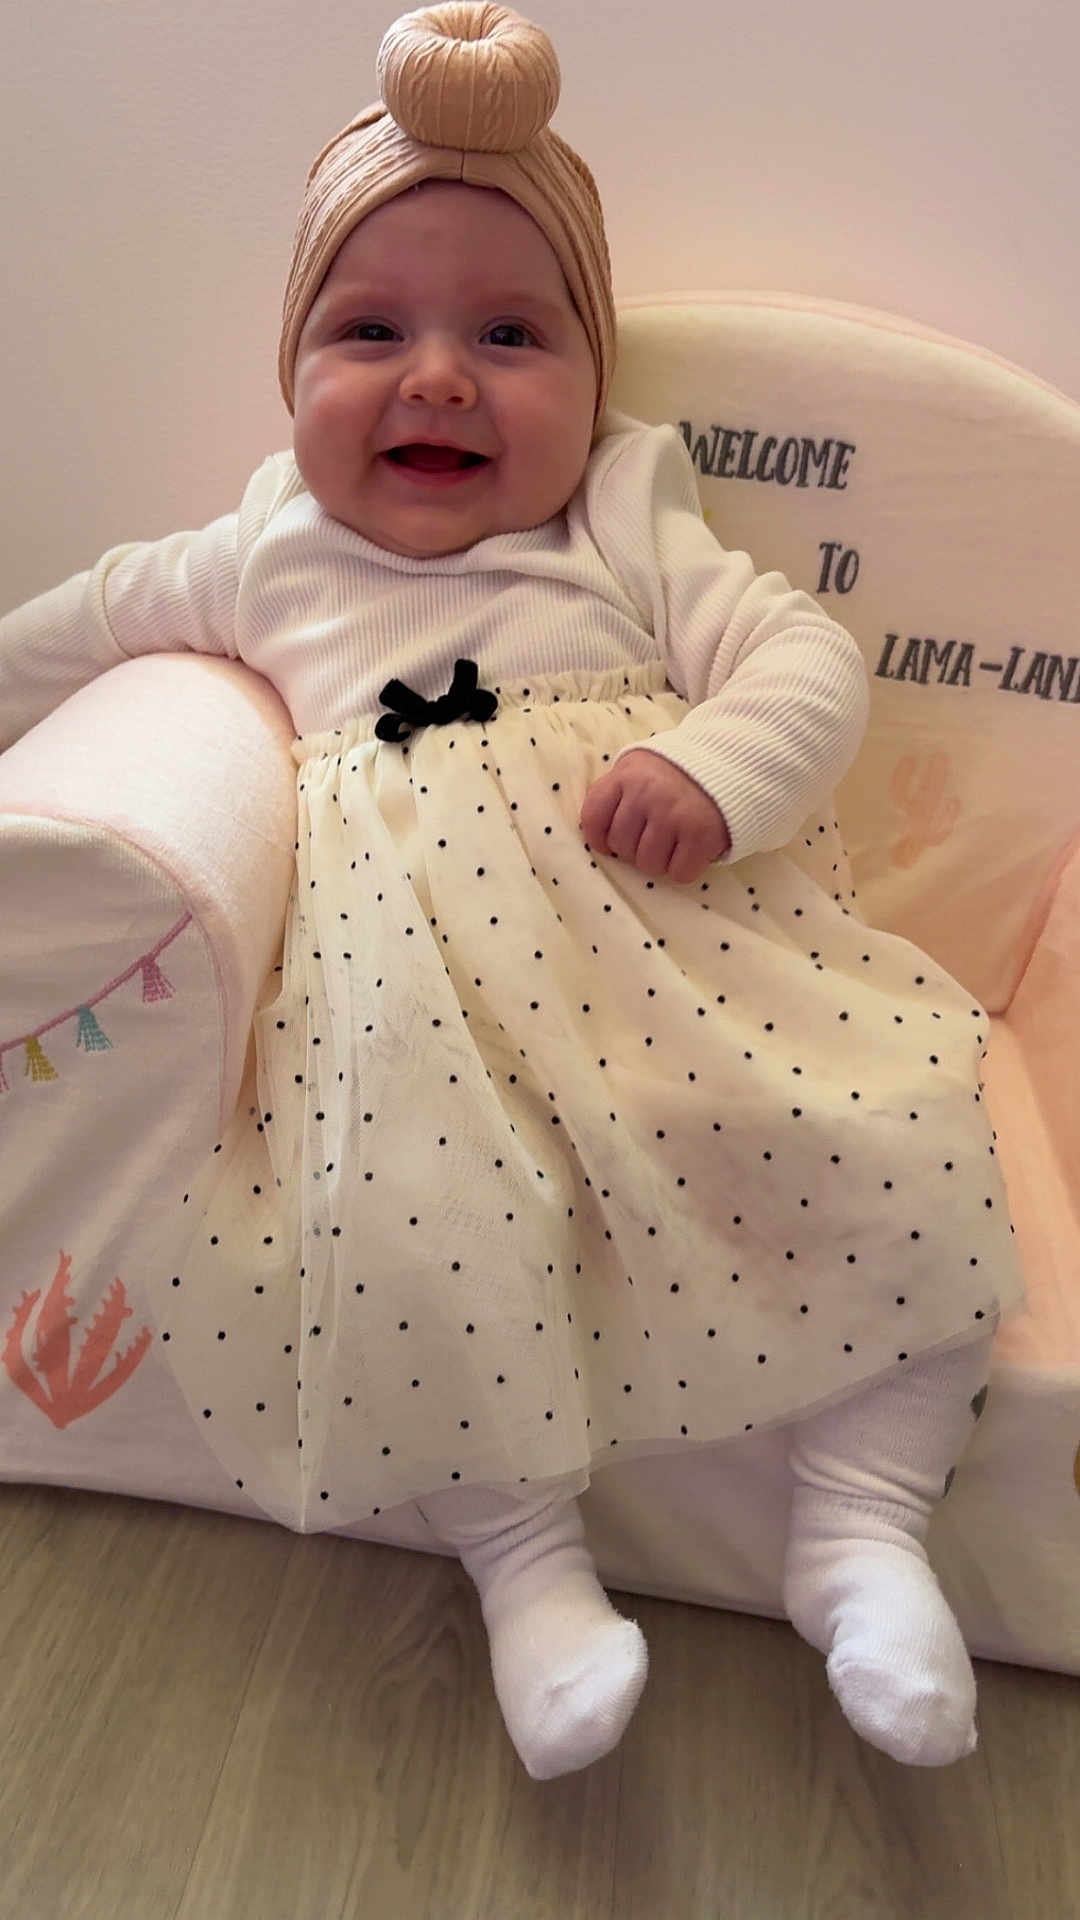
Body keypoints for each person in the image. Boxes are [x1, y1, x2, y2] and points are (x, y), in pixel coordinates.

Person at [0, 1, 1023, 1781]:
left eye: (509, 333)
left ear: (594, 381)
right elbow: (62, 632)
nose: (439, 378)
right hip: (418, 1025)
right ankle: (528, 1571)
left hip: (676, 968)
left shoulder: (621, 508)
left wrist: (716, 768)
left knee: (909, 1126)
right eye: (369, 329)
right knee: (403, 1236)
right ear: (291, 372)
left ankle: (862, 1527)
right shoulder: (263, 551)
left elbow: (798, 656)